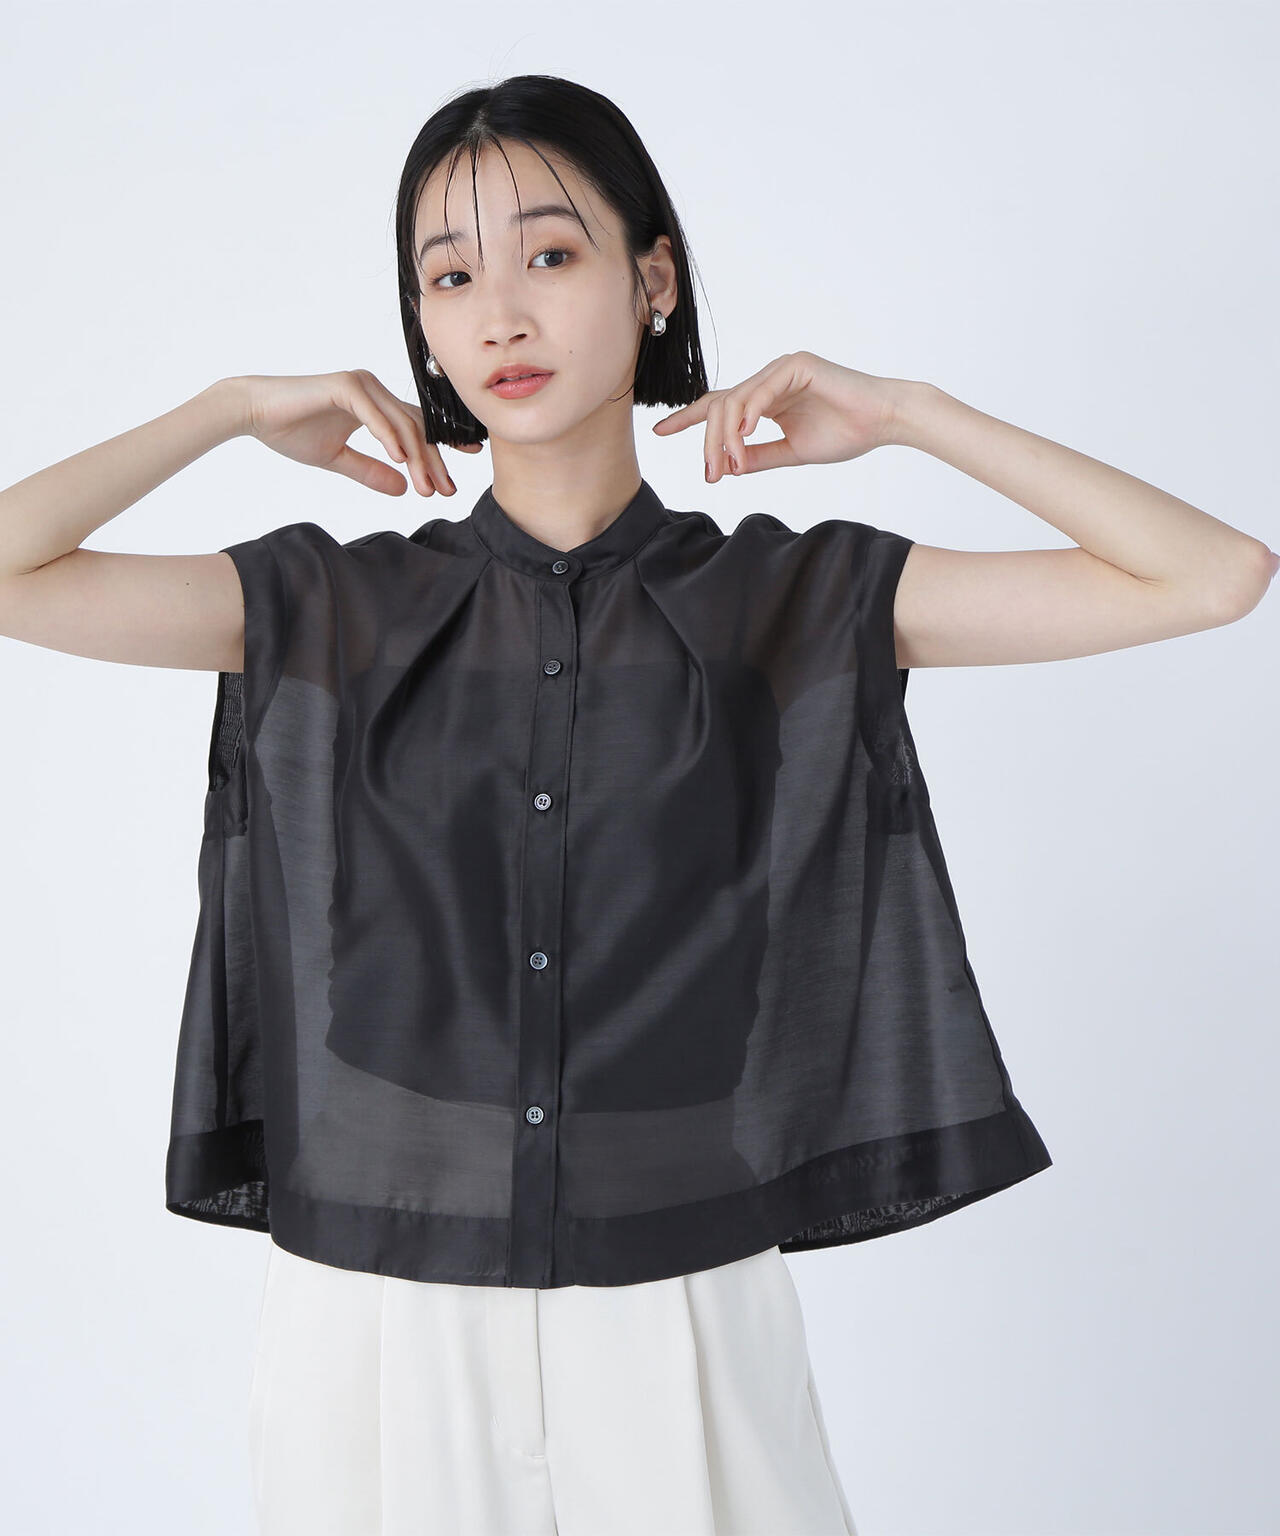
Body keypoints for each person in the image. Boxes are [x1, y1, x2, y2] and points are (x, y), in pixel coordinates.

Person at [1, 72, 1274, 1536]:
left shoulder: (790, 599)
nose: (500, 317)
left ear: (653, 279)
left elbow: (1212, 576)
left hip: (681, 1313)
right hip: (381, 1320)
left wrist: (909, 415)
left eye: (550, 254)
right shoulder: (330, 609)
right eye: (449, 277)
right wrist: (226, 410)